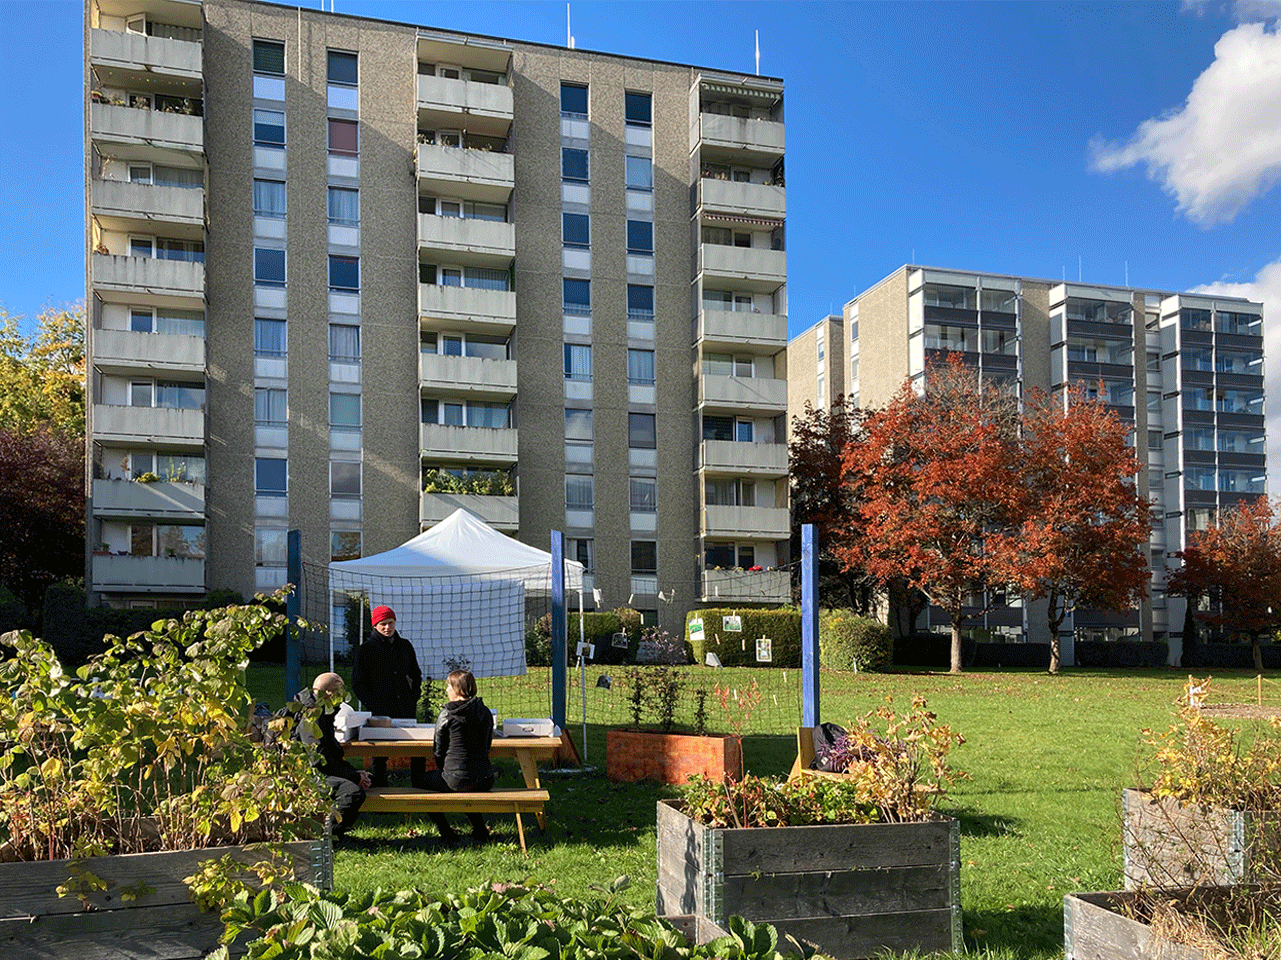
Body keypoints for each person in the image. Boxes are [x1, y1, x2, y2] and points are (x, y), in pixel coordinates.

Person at [351, 605, 424, 788]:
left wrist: (413, 696)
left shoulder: (405, 646)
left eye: (390, 623)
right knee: (380, 752)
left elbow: (416, 674)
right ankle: (380, 788)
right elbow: (358, 683)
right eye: (382, 624)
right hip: (380, 710)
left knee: (416, 748)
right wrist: (372, 704)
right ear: (375, 625)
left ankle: (420, 785)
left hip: (405, 707)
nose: (387, 628)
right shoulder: (366, 650)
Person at [422, 668, 494, 844]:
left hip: (455, 779)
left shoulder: (448, 713)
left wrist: (444, 768)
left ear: (456, 689)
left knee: (420, 783)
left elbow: (438, 749)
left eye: (448, 686)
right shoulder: (484, 712)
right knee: (469, 782)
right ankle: (479, 829)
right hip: (484, 778)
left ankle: (446, 831)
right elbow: (487, 746)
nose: (446, 690)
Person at [294, 672, 370, 836]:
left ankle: (337, 830)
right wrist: (354, 777)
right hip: (307, 774)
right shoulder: (311, 716)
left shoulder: (323, 712)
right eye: (341, 691)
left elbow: (331, 755)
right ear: (329, 694)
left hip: (319, 769)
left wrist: (355, 773)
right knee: (351, 792)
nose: (343, 698)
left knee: (370, 780)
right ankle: (325, 836)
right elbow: (319, 760)